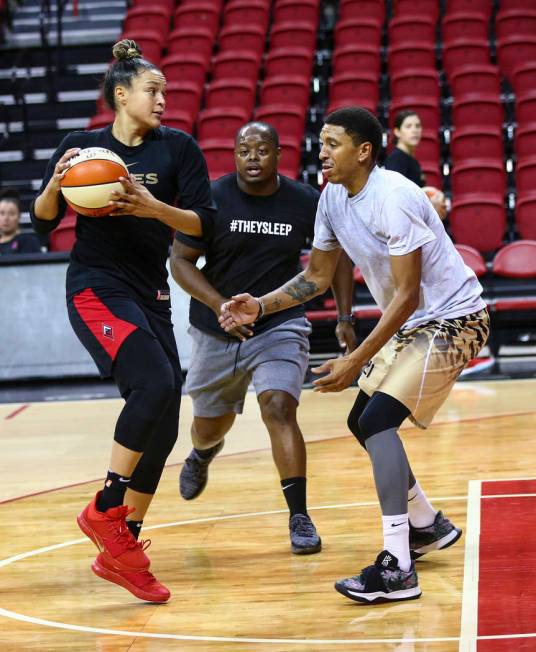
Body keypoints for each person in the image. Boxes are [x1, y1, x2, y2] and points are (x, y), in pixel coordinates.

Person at [219, 106, 489, 604]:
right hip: (415, 324)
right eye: (320, 142)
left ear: (363, 151)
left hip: (456, 320)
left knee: (380, 420)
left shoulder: (395, 198)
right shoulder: (332, 200)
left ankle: (399, 565)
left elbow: (407, 294)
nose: (320, 152)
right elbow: (317, 277)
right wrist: (260, 303)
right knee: (361, 420)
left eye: (332, 143)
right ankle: (426, 523)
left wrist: (354, 358)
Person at [30, 39, 215, 603]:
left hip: (151, 290)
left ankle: (123, 550)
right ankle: (106, 506)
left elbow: (205, 224)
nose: (164, 99)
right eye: (153, 90)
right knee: (154, 383)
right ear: (121, 95)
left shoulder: (178, 149)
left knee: (164, 420)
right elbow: (42, 224)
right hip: (95, 285)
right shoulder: (81, 147)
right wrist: (55, 187)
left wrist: (151, 207)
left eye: (164, 90)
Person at [170, 121, 356, 554]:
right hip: (216, 329)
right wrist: (220, 306)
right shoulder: (211, 200)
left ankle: (299, 516)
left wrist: (344, 315)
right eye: (243, 150)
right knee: (208, 425)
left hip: (279, 324)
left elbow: (338, 259)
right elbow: (180, 261)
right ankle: (202, 454)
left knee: (278, 407)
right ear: (234, 155)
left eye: (261, 150)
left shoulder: (305, 201)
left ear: (278, 154)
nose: (252, 158)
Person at [384, 110, 447, 220]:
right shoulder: (397, 158)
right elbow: (396, 195)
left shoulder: (410, 158)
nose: (414, 130)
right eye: (408, 126)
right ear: (397, 132)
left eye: (417, 126)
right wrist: (428, 192)